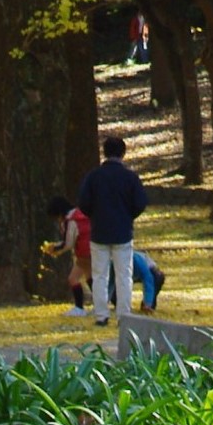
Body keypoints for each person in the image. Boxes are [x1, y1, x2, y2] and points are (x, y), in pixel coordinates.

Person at [75, 134, 147, 326]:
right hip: (123, 232)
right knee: (124, 275)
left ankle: (101, 315)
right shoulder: (130, 177)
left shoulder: (94, 177)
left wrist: (95, 216)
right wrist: (127, 216)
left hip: (99, 231)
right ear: (123, 153)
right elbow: (140, 203)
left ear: (104, 153)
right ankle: (124, 315)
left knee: (99, 274)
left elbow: (83, 203)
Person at [44, 195, 94, 315]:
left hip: (84, 253)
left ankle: (79, 307)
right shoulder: (82, 213)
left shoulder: (70, 220)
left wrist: (54, 248)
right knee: (90, 278)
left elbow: (68, 243)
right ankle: (103, 303)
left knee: (73, 278)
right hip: (94, 249)